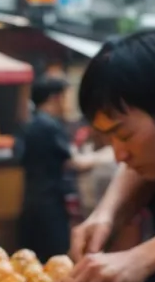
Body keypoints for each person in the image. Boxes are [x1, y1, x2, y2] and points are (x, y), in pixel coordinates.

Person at [56, 29, 155, 282]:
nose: (119, 155)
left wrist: (138, 259)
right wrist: (105, 215)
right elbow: (139, 166)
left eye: (124, 136)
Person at [16, 76, 96, 261]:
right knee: (56, 262)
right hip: (50, 206)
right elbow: (76, 163)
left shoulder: (29, 124)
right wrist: (107, 155)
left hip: (28, 203)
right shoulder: (50, 126)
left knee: (29, 263)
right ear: (55, 98)